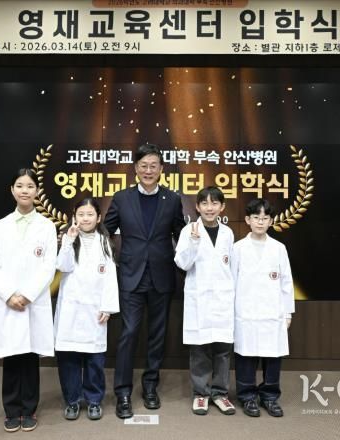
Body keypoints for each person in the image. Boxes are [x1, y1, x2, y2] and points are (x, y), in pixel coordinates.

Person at [104, 143, 186, 418]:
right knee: (128, 333)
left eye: (153, 166)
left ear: (161, 169)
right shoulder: (122, 198)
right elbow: (105, 231)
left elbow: (181, 235)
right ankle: (123, 392)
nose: (148, 171)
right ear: (136, 169)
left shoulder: (172, 199)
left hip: (162, 276)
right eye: (143, 166)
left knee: (157, 335)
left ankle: (150, 386)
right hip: (131, 276)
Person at [0, 169, 57, 432]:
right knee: (12, 355)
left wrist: (26, 295)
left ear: (37, 191)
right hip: (8, 301)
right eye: (20, 186)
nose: (25, 190)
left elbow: (48, 266)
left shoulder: (46, 226)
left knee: (30, 356)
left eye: (30, 186)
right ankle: (12, 410)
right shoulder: (0, 226)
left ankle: (29, 408)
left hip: (32, 301)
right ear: (12, 190)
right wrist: (9, 294)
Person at [55, 198, 119, 421]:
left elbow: (110, 278)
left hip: (95, 310)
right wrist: (69, 240)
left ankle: (93, 400)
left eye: (90, 214)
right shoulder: (68, 238)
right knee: (69, 358)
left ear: (98, 218)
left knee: (94, 359)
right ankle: (72, 401)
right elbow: (62, 266)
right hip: (71, 309)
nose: (85, 218)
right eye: (81, 214)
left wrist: (108, 307)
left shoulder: (105, 243)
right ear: (74, 216)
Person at [174, 186, 236, 416]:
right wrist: (193, 242)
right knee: (199, 350)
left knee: (222, 350)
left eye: (214, 203)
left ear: (222, 207)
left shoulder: (228, 233)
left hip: (223, 299)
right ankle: (201, 393)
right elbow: (182, 263)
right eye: (205, 203)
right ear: (197, 207)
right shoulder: (188, 231)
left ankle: (220, 393)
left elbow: (231, 267)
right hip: (199, 299)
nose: (210, 208)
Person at [231, 199, 295, 418]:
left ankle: (269, 396)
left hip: (272, 312)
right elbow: (231, 282)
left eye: (265, 218)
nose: (260, 222)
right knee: (246, 355)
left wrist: (287, 312)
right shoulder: (238, 248)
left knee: (273, 355)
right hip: (245, 313)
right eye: (256, 217)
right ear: (248, 220)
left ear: (271, 221)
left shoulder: (279, 248)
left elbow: (286, 282)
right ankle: (247, 396)